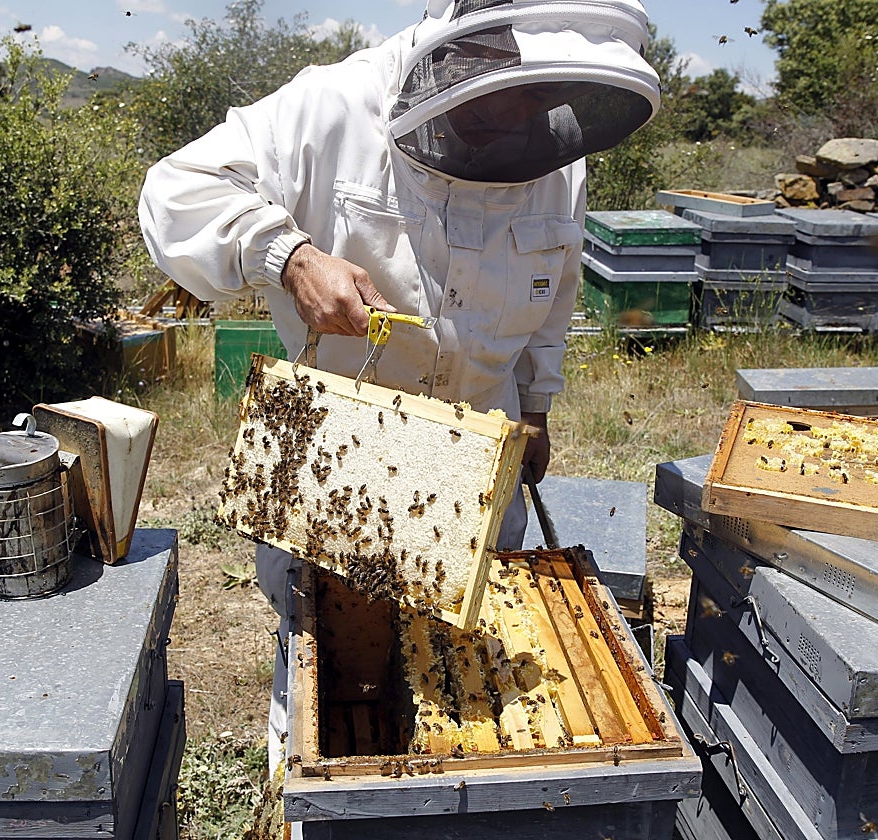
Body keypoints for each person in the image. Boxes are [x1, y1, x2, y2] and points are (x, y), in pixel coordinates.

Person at [139, 0, 661, 773]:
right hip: (340, 463)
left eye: (541, 93)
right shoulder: (330, 107)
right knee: (324, 691)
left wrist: (538, 407)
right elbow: (173, 192)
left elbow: (552, 293)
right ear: (459, 46)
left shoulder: (554, 157)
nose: (519, 113)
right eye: (507, 88)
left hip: (478, 464)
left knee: (469, 701)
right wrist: (289, 255)